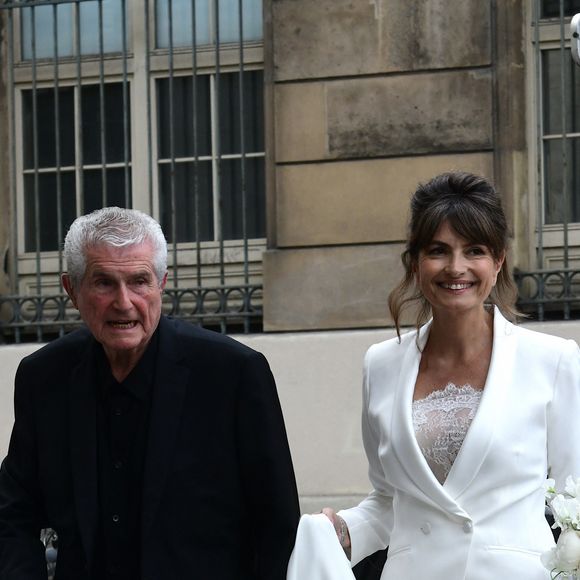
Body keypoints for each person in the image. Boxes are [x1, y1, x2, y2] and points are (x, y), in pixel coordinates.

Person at [0, 207, 300, 580]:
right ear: (71, 290)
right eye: (104, 282)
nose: (124, 302)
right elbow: (14, 513)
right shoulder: (43, 377)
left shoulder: (233, 374)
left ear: (162, 283)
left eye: (139, 281)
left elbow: (278, 525)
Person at [319, 172, 580, 579]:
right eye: (438, 251)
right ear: (415, 263)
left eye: (474, 250)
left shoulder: (553, 360)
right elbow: (388, 499)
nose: (456, 268)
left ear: (497, 262)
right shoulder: (380, 365)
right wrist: (345, 531)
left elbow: (574, 503)